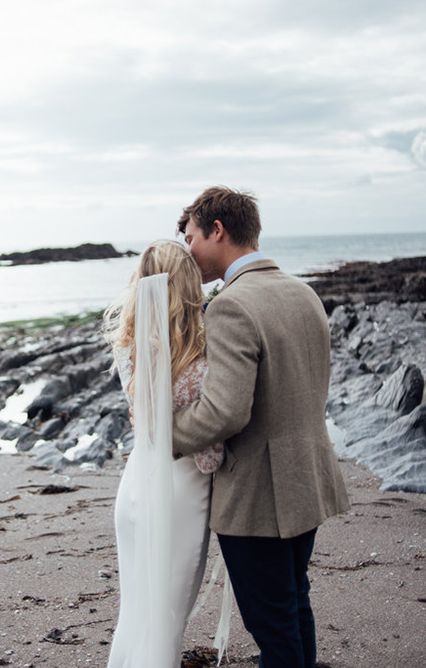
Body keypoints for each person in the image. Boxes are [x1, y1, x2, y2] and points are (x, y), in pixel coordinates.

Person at [173, 186, 350, 668]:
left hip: (258, 491)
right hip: (308, 476)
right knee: (294, 603)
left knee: (272, 624)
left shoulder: (230, 305)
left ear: (217, 230)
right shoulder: (303, 292)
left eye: (191, 236)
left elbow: (225, 412)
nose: (187, 249)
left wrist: (162, 438)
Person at [103, 240, 225, 667]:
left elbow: (146, 421)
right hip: (179, 495)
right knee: (166, 620)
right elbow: (208, 451)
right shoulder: (199, 356)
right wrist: (218, 462)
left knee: (136, 611)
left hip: (137, 486)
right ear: (190, 283)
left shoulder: (128, 345)